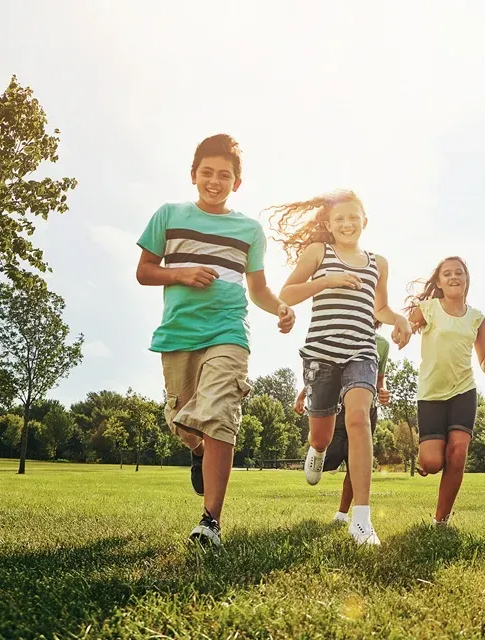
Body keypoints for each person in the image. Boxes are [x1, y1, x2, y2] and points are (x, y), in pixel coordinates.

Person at [136, 134, 295, 547]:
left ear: (236, 183)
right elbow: (145, 271)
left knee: (221, 413)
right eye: (207, 172)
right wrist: (181, 273)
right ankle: (195, 449)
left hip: (228, 331)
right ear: (193, 175)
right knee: (183, 420)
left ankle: (210, 522)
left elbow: (258, 288)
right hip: (178, 334)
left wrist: (279, 307)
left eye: (224, 175)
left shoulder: (248, 230)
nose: (214, 181)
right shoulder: (169, 215)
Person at [271, 189, 411, 545]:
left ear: (365, 220)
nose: (347, 224)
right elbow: (286, 294)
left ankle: (361, 519)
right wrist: (328, 280)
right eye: (340, 219)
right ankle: (317, 450)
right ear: (329, 224)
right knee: (322, 434)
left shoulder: (379, 262)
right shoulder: (319, 252)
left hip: (361, 352)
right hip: (321, 353)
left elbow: (380, 309)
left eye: (354, 217)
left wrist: (400, 320)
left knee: (359, 418)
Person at [406, 256, 485, 526]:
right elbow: (407, 327)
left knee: (458, 453)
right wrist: (402, 334)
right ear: (439, 281)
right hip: (431, 393)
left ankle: (441, 520)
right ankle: (430, 456)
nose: (454, 277)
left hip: (463, 390)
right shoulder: (429, 308)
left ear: (466, 279)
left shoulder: (477, 318)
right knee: (433, 462)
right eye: (448, 273)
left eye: (459, 273)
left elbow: (483, 359)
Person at [294, 322, 391, 524]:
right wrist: (302, 396)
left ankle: (342, 514)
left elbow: (380, 378)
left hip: (366, 409)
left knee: (355, 461)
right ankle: (317, 446)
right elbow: (325, 374)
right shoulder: (343, 331)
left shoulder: (382, 344)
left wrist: (382, 390)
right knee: (332, 455)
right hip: (338, 407)